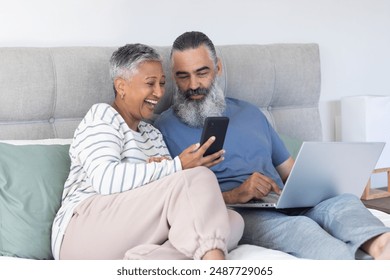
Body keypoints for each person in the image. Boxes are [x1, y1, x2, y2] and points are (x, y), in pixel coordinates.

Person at [154, 31, 390, 260]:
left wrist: (322, 184)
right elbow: (177, 202)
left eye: (201, 72)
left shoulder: (251, 113)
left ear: (218, 68)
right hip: (242, 213)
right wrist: (237, 193)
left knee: (344, 205)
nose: (194, 84)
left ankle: (381, 248)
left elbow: (290, 171)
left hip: (281, 199)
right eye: (183, 76)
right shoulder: (163, 128)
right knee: (307, 233)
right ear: (174, 76)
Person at [51, 43, 244, 260]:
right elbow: (106, 180)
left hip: (131, 234)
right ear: (121, 86)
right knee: (197, 179)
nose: (159, 93)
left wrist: (167, 171)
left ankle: (144, 262)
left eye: (162, 83)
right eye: (150, 83)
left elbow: (169, 196)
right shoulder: (102, 116)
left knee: (231, 220)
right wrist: (177, 166)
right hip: (81, 231)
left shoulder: (152, 134)